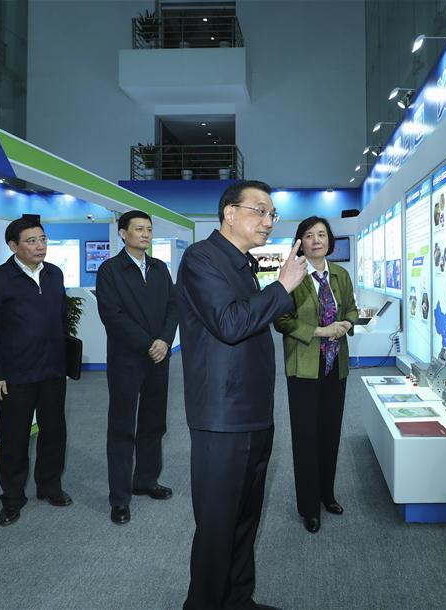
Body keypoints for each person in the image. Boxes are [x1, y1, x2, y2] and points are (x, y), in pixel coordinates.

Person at [176, 180, 306, 610]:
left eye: (272, 215)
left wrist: (279, 290)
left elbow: (255, 320)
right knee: (217, 525)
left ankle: (237, 600)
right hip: (222, 416)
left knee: (245, 518)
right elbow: (230, 323)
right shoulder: (202, 258)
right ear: (229, 213)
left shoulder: (241, 263)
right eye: (260, 211)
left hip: (252, 411)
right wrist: (282, 286)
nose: (269, 222)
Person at [0, 214, 71, 527]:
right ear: (13, 245)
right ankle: (13, 498)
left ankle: (50, 486)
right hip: (15, 374)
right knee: (14, 437)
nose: (40, 246)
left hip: (53, 371)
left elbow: (61, 320)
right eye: (31, 241)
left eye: (43, 239)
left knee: (54, 431)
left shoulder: (55, 275)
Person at [273, 216, 358, 534]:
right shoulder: (292, 276)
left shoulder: (340, 275)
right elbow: (281, 320)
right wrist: (321, 330)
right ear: (301, 242)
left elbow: (350, 308)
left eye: (322, 234)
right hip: (304, 369)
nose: (316, 240)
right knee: (306, 437)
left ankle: (327, 494)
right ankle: (309, 507)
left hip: (336, 367)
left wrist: (346, 324)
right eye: (309, 235)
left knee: (330, 432)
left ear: (329, 240)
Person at [96, 210, 178, 525]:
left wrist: (165, 340)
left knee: (154, 424)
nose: (145, 234)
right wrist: (148, 342)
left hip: (159, 358)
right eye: (138, 229)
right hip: (127, 359)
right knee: (122, 428)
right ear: (122, 233)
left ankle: (146, 480)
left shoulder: (160, 268)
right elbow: (112, 316)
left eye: (149, 229)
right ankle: (119, 498)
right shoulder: (110, 270)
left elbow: (174, 306)